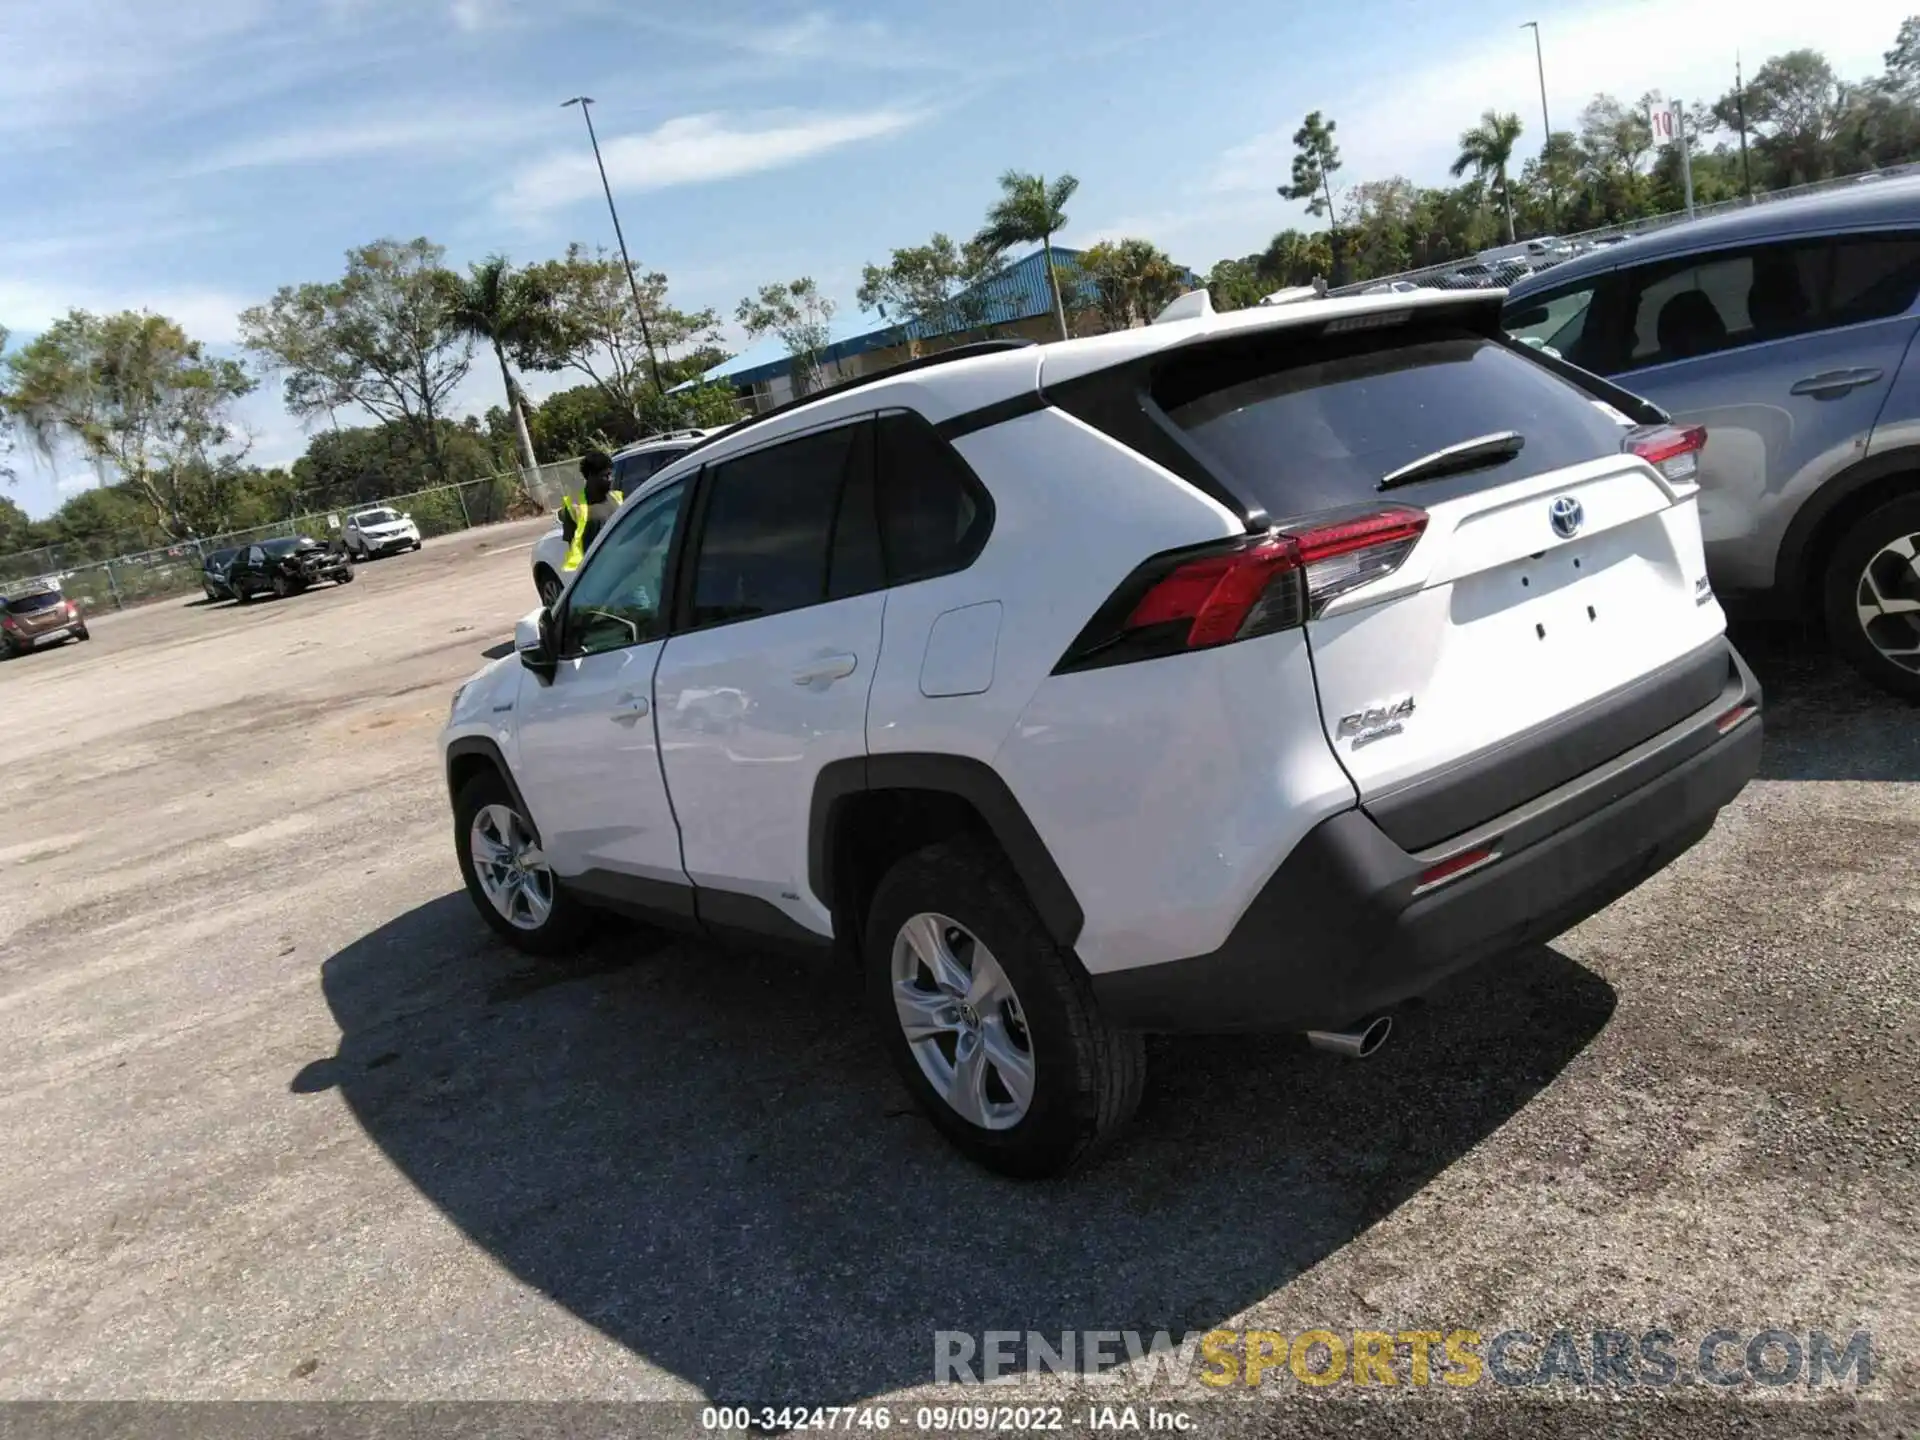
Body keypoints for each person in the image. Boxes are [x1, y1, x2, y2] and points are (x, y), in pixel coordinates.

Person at [559, 451, 624, 572]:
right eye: (605, 475)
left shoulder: (616, 499)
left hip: (624, 567)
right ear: (590, 476)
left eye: (611, 475)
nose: (610, 479)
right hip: (597, 572)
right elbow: (572, 546)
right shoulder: (574, 506)